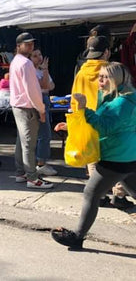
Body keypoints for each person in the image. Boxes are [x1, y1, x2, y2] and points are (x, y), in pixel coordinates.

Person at [51, 62, 136, 250]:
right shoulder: (122, 97)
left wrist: (83, 108)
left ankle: (77, 237)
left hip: (116, 157)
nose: (100, 80)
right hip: (128, 155)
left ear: (117, 79)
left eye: (105, 77)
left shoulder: (121, 102)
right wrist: (73, 126)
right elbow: (102, 123)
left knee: (91, 192)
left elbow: (104, 126)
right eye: (100, 76)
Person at [9, 33, 52, 189]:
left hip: (18, 105)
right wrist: (40, 109)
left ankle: (21, 173)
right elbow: (33, 90)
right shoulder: (26, 63)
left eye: (32, 44)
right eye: (27, 44)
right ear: (18, 45)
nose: (30, 46)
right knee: (28, 143)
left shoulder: (16, 61)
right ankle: (32, 178)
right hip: (27, 107)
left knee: (22, 141)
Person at [30, 48, 57, 176]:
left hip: (44, 101)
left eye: (40, 54)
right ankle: (41, 163)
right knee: (43, 134)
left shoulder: (41, 70)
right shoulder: (32, 71)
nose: (39, 58)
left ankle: (40, 162)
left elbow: (51, 86)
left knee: (44, 133)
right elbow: (46, 86)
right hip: (38, 103)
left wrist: (45, 72)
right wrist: (45, 71)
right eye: (35, 56)